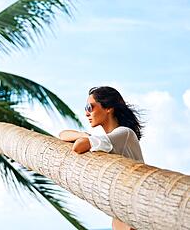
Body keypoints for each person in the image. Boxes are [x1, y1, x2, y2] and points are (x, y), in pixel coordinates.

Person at [59, 86, 144, 230]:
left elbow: (78, 147)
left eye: (89, 107)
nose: (86, 113)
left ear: (108, 108)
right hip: (122, 209)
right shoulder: (106, 140)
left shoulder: (124, 133)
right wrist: (86, 135)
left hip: (135, 209)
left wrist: (86, 138)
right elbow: (62, 134)